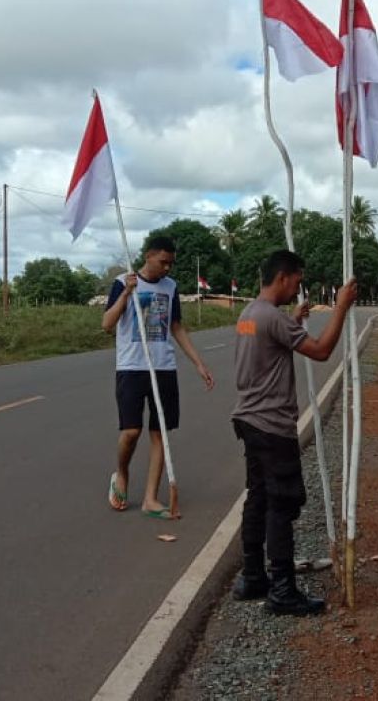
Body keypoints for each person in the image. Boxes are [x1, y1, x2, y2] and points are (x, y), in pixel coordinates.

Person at [230, 250, 358, 616]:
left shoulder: (250, 314)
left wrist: (297, 321)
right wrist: (341, 308)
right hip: (272, 425)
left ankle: (253, 576)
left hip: (249, 419)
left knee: (257, 498)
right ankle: (283, 590)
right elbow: (320, 351)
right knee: (281, 504)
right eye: (298, 281)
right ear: (284, 277)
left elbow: (275, 343)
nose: (298, 289)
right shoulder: (272, 318)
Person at [101, 235, 215, 517]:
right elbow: (106, 324)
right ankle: (122, 473)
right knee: (131, 431)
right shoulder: (121, 282)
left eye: (171, 263)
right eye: (163, 262)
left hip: (163, 367)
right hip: (131, 367)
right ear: (148, 256)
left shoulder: (171, 287)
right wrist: (127, 293)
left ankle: (151, 498)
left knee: (159, 433)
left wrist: (198, 363)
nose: (167, 268)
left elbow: (176, 327)